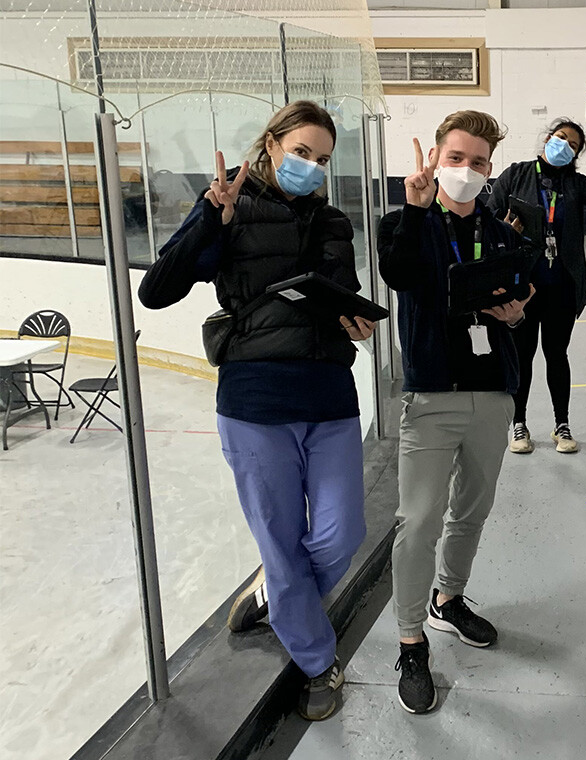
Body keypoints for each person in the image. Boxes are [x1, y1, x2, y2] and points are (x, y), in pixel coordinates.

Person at [137, 100, 374, 721]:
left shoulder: (332, 222)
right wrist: (206, 222)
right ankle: (319, 662)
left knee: (339, 534)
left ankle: (275, 592)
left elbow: (337, 294)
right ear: (270, 145)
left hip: (328, 396)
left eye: (322, 159)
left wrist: (354, 320)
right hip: (254, 399)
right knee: (279, 537)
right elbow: (156, 292)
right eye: (301, 152)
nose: (312, 166)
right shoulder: (227, 208)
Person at [377, 110, 533, 715]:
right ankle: (411, 639)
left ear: (490, 169)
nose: (466, 171)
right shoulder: (406, 224)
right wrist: (417, 210)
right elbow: (399, 273)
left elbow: (525, 295)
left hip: (493, 391)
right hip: (433, 395)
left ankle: (450, 600)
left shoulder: (502, 233)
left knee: (472, 509)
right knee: (418, 521)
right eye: (456, 158)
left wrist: (517, 315)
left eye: (478, 162)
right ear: (436, 158)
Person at [488, 117, 586, 454]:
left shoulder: (574, 184)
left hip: (561, 286)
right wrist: (506, 229)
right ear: (549, 138)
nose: (565, 145)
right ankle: (519, 423)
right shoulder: (516, 174)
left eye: (574, 145)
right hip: (523, 287)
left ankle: (561, 425)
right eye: (562, 138)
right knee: (522, 355)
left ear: (576, 154)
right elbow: (491, 216)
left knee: (556, 355)